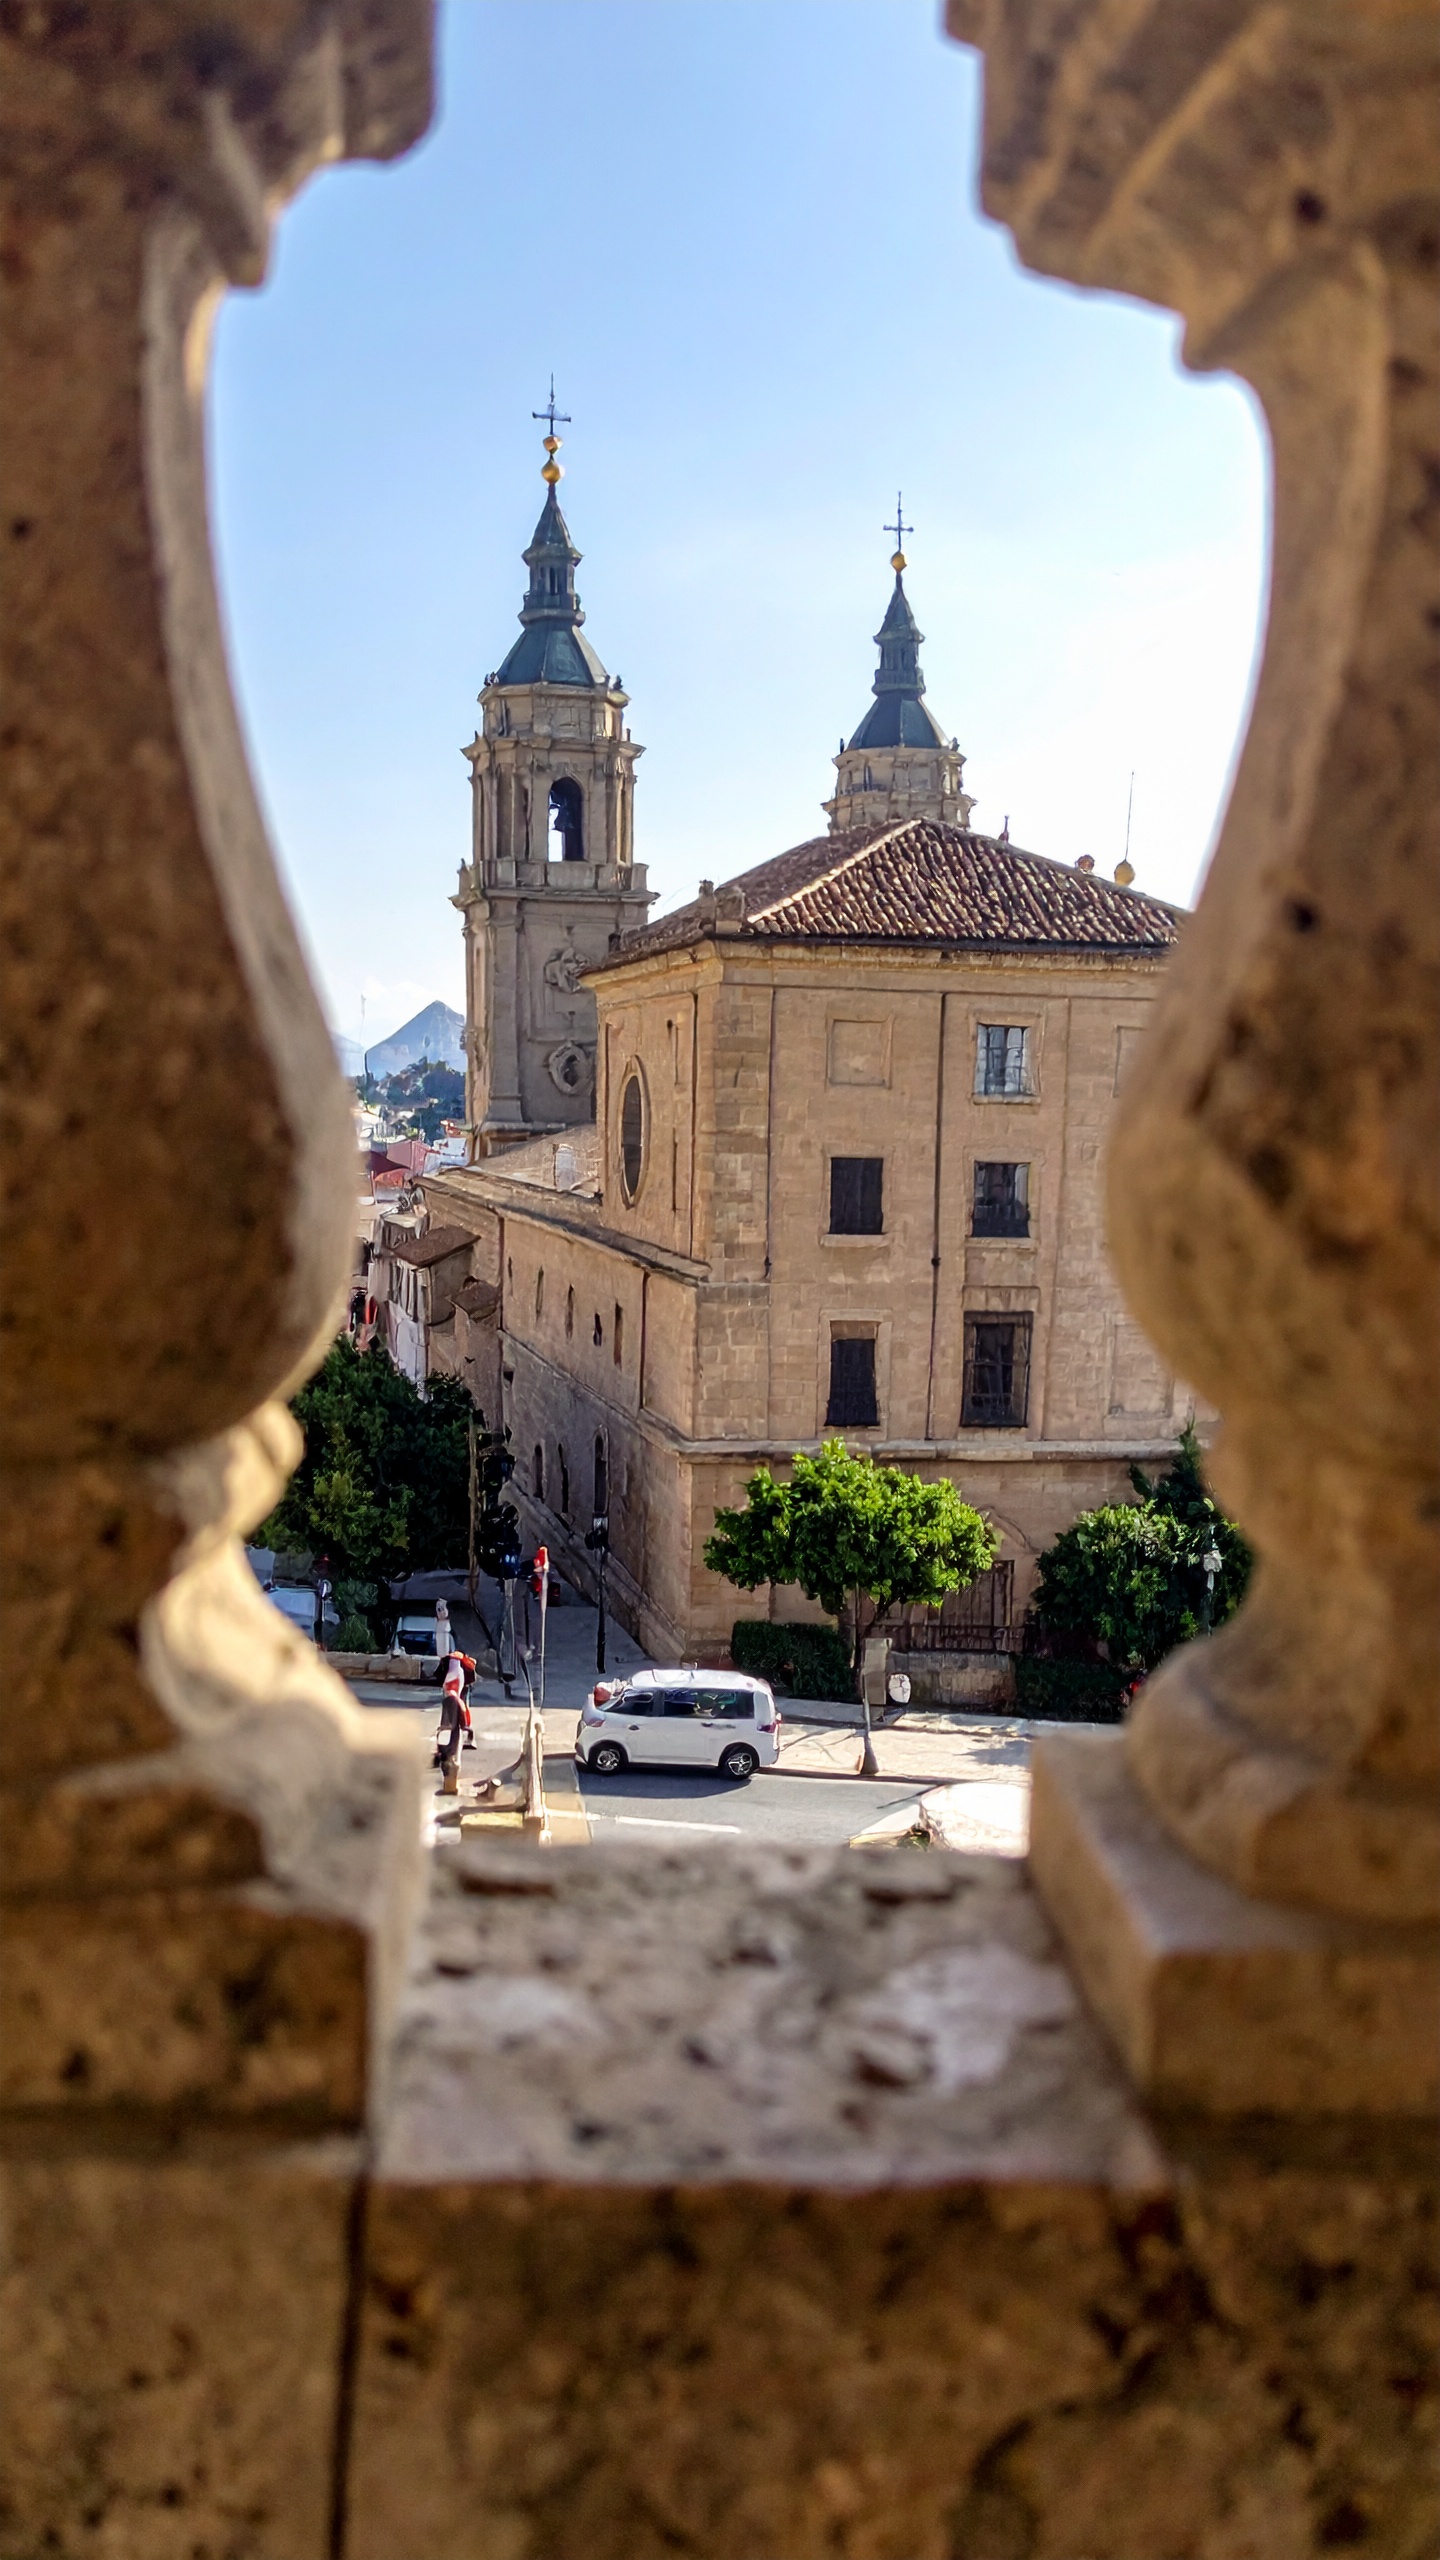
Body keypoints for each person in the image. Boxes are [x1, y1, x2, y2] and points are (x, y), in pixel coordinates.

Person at [434, 1650, 477, 1769]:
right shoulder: (465, 1662)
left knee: (453, 1706)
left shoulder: (449, 1661)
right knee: (461, 1704)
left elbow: (440, 1676)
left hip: (456, 1687)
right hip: (460, 1686)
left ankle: (464, 1729)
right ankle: (467, 1730)